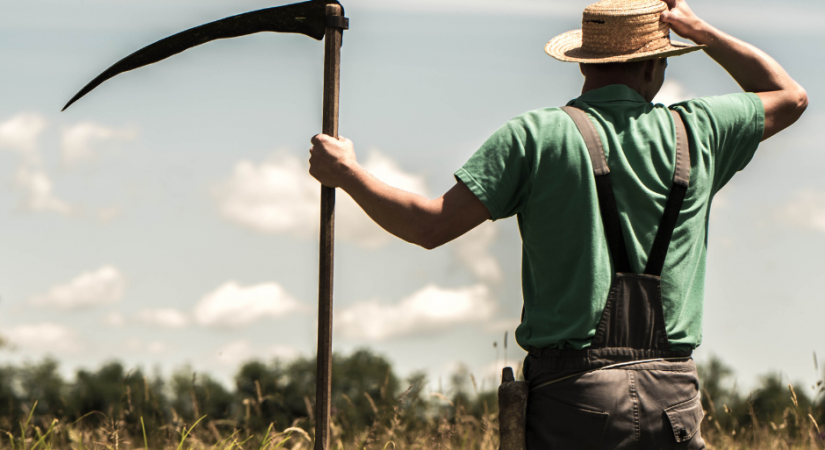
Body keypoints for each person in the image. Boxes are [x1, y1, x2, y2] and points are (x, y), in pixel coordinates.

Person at [308, 0, 807, 447]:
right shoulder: (700, 129)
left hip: (574, 396)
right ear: (656, 67)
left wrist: (348, 174)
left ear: (585, 63)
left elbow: (428, 226)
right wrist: (701, 30)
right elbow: (789, 95)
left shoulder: (535, 136)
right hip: (672, 395)